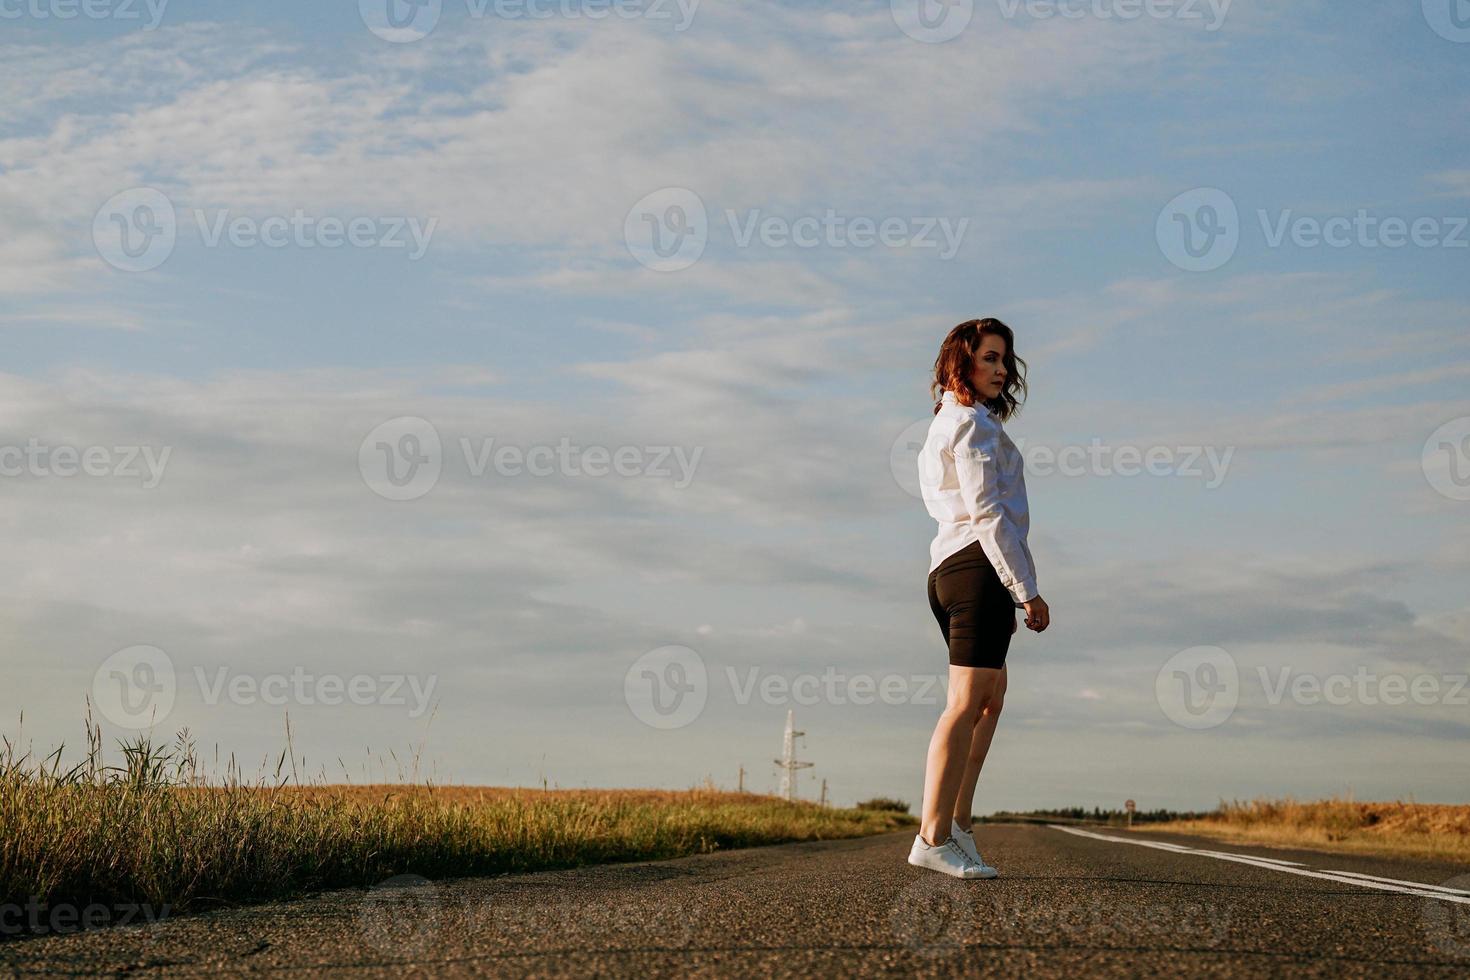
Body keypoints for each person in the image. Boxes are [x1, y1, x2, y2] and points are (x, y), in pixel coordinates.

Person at [907, 317, 1051, 880]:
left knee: (989, 698)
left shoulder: (950, 421)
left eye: (1003, 360)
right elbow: (989, 512)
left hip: (954, 566)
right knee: (965, 704)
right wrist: (1027, 591)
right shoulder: (969, 425)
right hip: (977, 569)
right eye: (988, 358)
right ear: (961, 362)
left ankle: (958, 822)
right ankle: (932, 836)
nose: (998, 369)